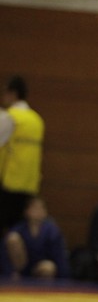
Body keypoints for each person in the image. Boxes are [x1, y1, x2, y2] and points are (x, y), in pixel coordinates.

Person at [0, 75, 44, 233]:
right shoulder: (37, 121)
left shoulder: (9, 117)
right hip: (29, 185)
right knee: (18, 231)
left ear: (13, 93)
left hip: (7, 183)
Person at [3, 196, 68, 279]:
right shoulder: (19, 229)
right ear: (26, 211)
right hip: (22, 268)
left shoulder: (52, 231)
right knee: (12, 238)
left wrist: (64, 277)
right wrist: (9, 271)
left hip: (40, 267)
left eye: (40, 208)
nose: (37, 212)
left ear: (45, 212)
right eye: (34, 208)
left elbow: (59, 255)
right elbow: (5, 251)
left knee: (48, 267)